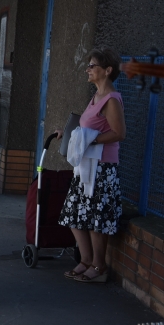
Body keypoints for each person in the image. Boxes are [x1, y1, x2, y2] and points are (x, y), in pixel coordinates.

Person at [58, 48, 125, 283]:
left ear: (107, 70)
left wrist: (89, 139)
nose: (88, 69)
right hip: (86, 167)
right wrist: (69, 133)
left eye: (92, 66)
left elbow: (118, 133)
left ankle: (99, 267)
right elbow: (87, 125)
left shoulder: (111, 99)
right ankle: (85, 260)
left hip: (102, 168)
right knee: (74, 214)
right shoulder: (95, 96)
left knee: (96, 219)